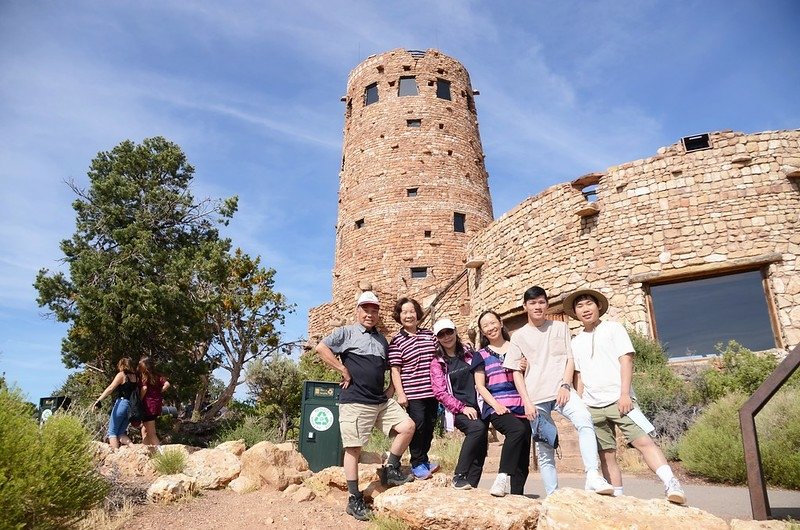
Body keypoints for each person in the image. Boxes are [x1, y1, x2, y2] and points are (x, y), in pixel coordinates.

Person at [565, 288, 686, 505]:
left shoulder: (614, 328)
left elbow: (626, 360)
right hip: (592, 405)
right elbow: (580, 376)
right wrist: (581, 405)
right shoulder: (576, 342)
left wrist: (624, 394)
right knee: (606, 454)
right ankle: (618, 500)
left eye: (589, 304)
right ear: (575, 312)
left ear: (598, 306)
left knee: (644, 441)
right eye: (580, 306)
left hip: (620, 399)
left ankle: (671, 483)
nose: (585, 309)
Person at [315, 291, 416, 522]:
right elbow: (321, 348)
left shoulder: (382, 339)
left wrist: (391, 388)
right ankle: (354, 498)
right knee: (354, 448)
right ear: (357, 311)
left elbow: (391, 366)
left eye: (374, 310)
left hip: (379, 400)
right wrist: (342, 369)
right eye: (365, 309)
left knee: (408, 426)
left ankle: (390, 469)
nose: (370, 314)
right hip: (356, 400)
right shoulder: (346, 333)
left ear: (378, 314)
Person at [504, 286, 613, 497]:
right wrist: (526, 401)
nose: (538, 306)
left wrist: (565, 384)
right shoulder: (518, 336)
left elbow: (570, 358)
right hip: (535, 398)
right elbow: (516, 372)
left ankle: (592, 475)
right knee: (545, 449)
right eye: (533, 303)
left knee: (584, 419)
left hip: (562, 391)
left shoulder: (560, 327)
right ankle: (553, 495)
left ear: (547, 304)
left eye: (541, 302)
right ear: (525, 306)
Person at [472, 310, 533, 497]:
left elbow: (529, 376)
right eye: (486, 326)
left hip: (521, 404)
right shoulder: (480, 355)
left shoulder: (517, 348)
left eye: (493, 323)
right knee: (516, 430)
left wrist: (525, 367)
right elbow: (480, 386)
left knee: (523, 453)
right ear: (482, 332)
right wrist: (495, 405)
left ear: (500, 322)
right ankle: (501, 476)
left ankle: (517, 497)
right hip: (496, 406)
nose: (491, 328)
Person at [429, 318, 488, 490]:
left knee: (481, 449)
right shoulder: (438, 362)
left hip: (479, 405)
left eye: (449, 332)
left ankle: (471, 487)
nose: (447, 337)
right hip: (459, 410)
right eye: (442, 334)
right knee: (476, 429)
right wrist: (462, 408)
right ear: (437, 338)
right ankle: (459, 475)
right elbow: (440, 392)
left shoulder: (469, 354)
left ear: (455, 331)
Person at [388, 297, 439, 480]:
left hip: (432, 390)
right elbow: (395, 369)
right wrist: (400, 393)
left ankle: (424, 459)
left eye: (412, 311)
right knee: (418, 427)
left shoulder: (429, 334)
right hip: (413, 391)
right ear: (399, 316)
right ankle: (417, 463)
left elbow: (440, 356)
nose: (409, 315)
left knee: (430, 426)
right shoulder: (397, 341)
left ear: (417, 313)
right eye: (404, 312)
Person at [94, 357, 138, 450]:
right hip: (131, 406)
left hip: (122, 403)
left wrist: (99, 400)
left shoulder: (122, 375)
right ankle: (134, 449)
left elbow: (110, 388)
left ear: (121, 365)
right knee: (121, 432)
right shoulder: (135, 377)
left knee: (112, 432)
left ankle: (115, 454)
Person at [137, 356, 170, 447]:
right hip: (155, 404)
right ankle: (146, 448)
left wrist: (139, 399)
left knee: (151, 432)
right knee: (144, 429)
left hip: (148, 406)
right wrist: (159, 391)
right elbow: (167, 384)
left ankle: (161, 454)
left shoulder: (144, 376)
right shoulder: (157, 375)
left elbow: (144, 388)